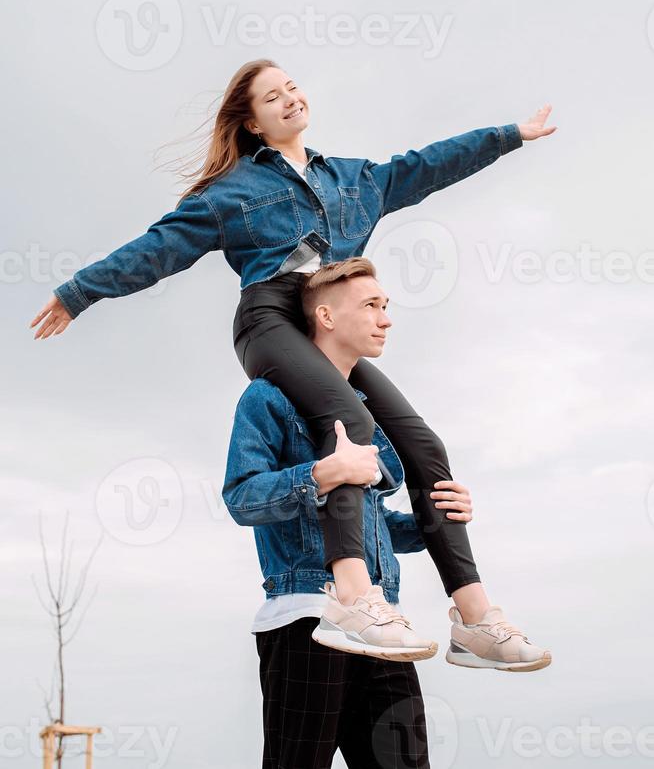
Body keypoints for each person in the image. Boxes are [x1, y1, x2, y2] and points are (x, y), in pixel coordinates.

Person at [29, 59, 557, 652]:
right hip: (270, 320)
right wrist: (80, 292)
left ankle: (474, 617)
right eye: (270, 97)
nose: (288, 99)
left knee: (423, 445)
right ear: (252, 123)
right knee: (350, 424)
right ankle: (355, 598)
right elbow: (160, 248)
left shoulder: (356, 179)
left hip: (325, 327)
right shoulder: (232, 193)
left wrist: (509, 135)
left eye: (292, 88)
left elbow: (429, 165)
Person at [222, 271, 477, 767]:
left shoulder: (370, 413)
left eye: (387, 306)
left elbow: (371, 522)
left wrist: (435, 521)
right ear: (325, 316)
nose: (386, 321)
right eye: (372, 306)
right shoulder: (267, 398)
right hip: (306, 618)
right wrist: (320, 474)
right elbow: (241, 498)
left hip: (382, 625)